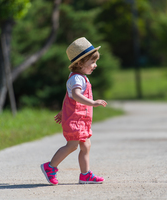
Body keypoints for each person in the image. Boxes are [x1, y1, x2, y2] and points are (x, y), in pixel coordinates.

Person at [41, 37, 107, 185]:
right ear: (80, 63)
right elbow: (76, 95)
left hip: (81, 119)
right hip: (75, 119)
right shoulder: (76, 79)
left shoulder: (81, 77)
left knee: (86, 145)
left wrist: (61, 111)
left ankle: (85, 174)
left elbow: (67, 96)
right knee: (72, 145)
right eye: (92, 62)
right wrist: (93, 102)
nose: (95, 65)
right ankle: (50, 167)